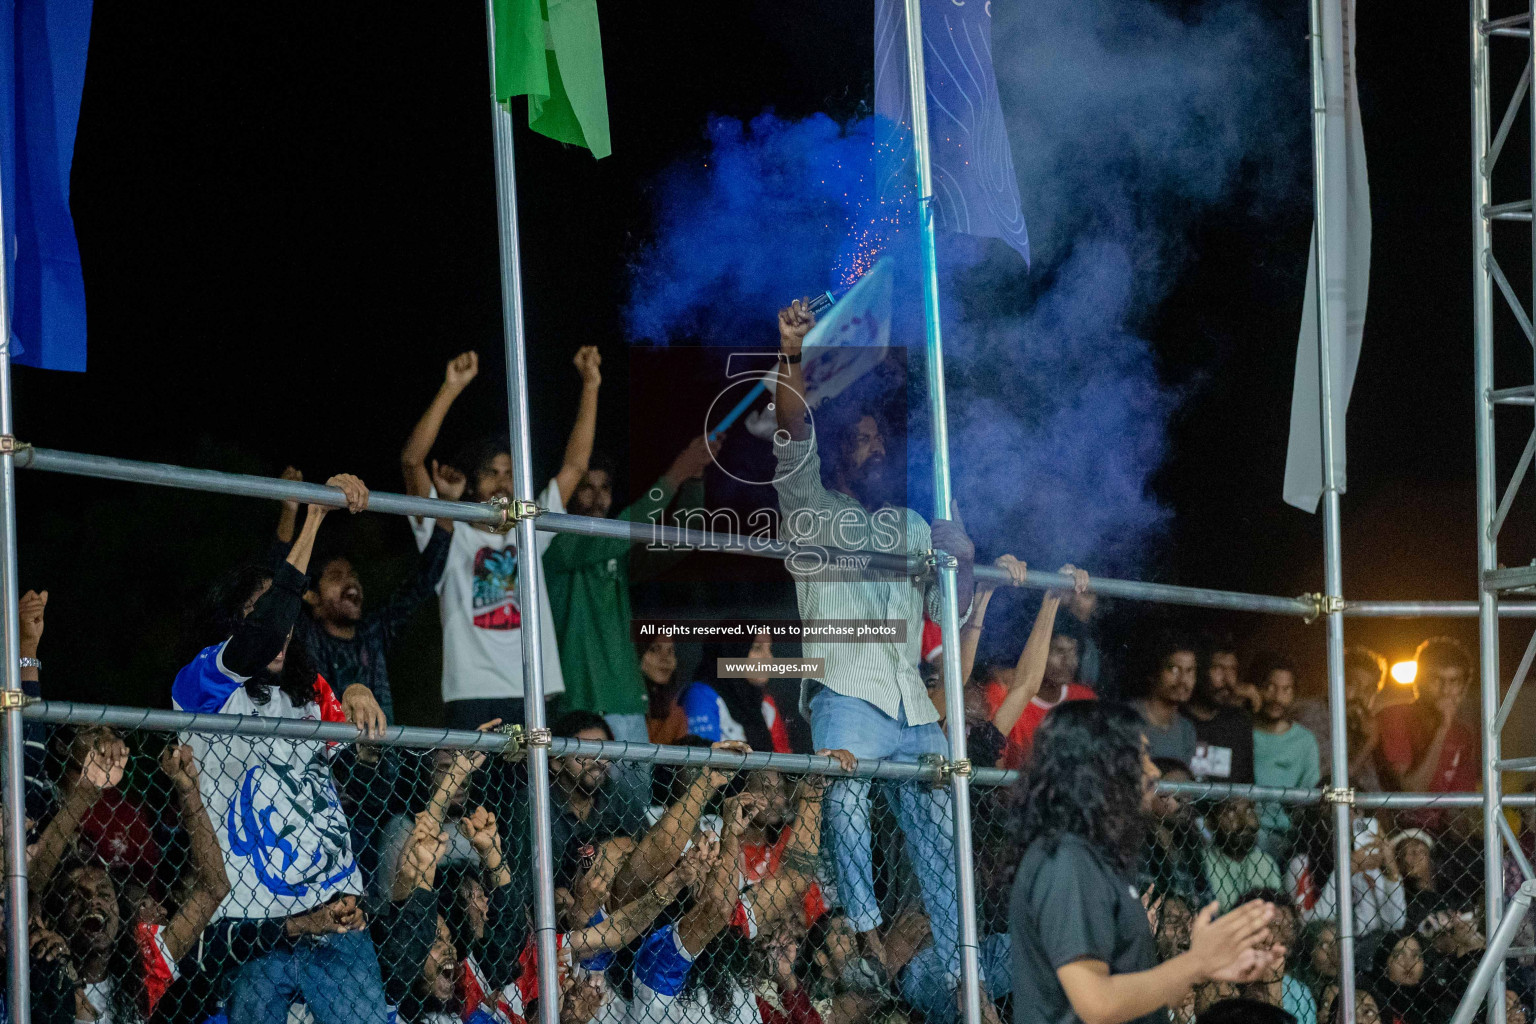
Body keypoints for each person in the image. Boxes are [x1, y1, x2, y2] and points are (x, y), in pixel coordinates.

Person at [771, 299, 976, 984]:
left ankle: (960, 974)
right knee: (845, 795)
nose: (879, 449)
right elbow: (791, 428)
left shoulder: (914, 524)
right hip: (848, 696)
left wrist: (964, 558)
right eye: (864, 441)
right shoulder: (809, 507)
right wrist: (792, 351)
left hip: (914, 707)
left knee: (945, 844)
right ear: (839, 456)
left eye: (882, 441)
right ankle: (862, 934)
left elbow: (955, 607)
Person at [171, 473, 391, 1023]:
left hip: (339, 918)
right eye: (264, 611)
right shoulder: (200, 685)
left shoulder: (308, 691)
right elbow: (264, 633)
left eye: (289, 615)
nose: (284, 626)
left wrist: (359, 692)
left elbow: (364, 766)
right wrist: (314, 516)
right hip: (257, 926)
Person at [1008, 701, 1284, 1024]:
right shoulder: (1065, 860)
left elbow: (1132, 988)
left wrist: (1207, 967)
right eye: (1141, 758)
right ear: (1100, 768)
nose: (1153, 771)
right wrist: (1196, 962)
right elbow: (1096, 1002)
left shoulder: (1094, 858)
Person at [401, 348, 601, 729]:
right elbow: (412, 461)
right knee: (473, 790)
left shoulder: (529, 530)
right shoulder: (449, 528)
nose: (504, 483)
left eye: (509, 472)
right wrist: (451, 387)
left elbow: (575, 466)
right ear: (473, 483)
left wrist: (591, 385)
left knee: (529, 790)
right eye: (491, 473)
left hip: (532, 689)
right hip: (472, 692)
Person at [44, 741, 230, 1022]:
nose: (93, 900)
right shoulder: (42, 976)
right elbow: (34, 884)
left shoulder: (142, 966)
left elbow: (215, 888)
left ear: (120, 910)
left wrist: (189, 792)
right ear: (56, 914)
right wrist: (85, 793)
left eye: (104, 893)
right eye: (75, 895)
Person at [545, 437, 713, 745]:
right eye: (586, 487)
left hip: (630, 707)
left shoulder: (616, 550)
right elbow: (627, 526)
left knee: (636, 796)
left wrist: (692, 480)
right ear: (567, 493)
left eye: (605, 488)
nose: (597, 498)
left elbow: (683, 540)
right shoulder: (552, 543)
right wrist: (674, 476)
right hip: (581, 709)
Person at [271, 466, 453, 724]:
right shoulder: (305, 638)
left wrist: (447, 506)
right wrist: (289, 510)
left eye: (353, 575)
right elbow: (277, 588)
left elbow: (422, 582)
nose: (351, 581)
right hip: (325, 760)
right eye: (336, 576)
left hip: (380, 761)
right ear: (312, 597)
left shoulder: (374, 633)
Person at [993, 565, 1095, 771]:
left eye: (1073, 652)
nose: (1068, 661)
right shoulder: (1001, 694)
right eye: (1058, 651)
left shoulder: (1085, 699)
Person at [1375, 638, 1479, 824]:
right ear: (1418, 682)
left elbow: (1463, 806)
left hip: (1441, 835)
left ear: (1463, 689)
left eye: (1453, 681)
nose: (1445, 690)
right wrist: (1442, 730)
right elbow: (1412, 789)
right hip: (1399, 828)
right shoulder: (1394, 716)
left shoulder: (1463, 734)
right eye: (1435, 679)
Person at [1250, 655, 1321, 859]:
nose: (1277, 697)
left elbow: (1310, 797)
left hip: (1284, 837)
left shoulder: (1304, 740)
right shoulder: (1242, 732)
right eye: (1270, 687)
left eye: (1286, 689)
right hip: (1241, 831)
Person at [1293, 645, 1388, 791]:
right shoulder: (1311, 714)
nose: (1360, 695)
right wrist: (1369, 744)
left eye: (1369, 690)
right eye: (1353, 684)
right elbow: (1331, 781)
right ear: (1333, 683)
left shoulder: (1359, 723)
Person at [685, 631, 793, 753]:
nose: (769, 657)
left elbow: (783, 759)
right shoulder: (701, 694)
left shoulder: (765, 703)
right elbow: (702, 760)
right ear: (733, 652)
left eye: (769, 649)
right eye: (757, 648)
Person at [1183, 643, 1255, 785]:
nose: (1227, 679)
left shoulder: (1239, 723)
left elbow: (1246, 784)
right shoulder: (1177, 720)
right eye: (1218, 668)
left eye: (1232, 670)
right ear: (1200, 672)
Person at [1201, 797, 1283, 911]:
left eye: (1249, 811)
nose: (1243, 822)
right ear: (1210, 822)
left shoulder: (1265, 862)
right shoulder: (1202, 862)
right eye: (1231, 812)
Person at [1129, 639, 1200, 765]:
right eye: (1174, 669)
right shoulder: (1127, 719)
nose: (1183, 680)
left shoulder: (1186, 730)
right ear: (1154, 673)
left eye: (1190, 671)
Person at [639, 638, 691, 745]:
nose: (665, 659)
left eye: (671, 651)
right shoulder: (620, 707)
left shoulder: (675, 712)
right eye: (654, 649)